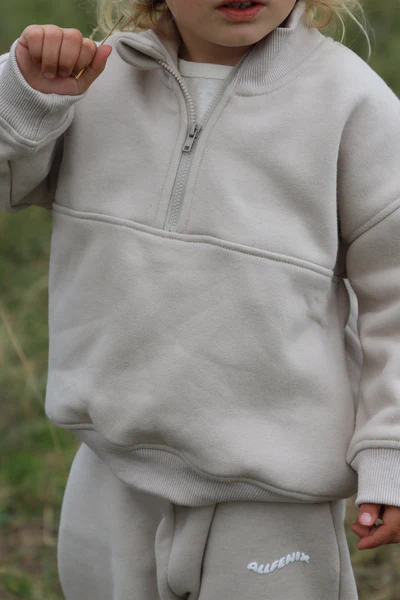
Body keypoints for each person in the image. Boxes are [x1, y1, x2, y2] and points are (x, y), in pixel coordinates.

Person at [1, 0, 400, 598]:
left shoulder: (352, 104)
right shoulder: (92, 81)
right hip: (110, 472)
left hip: (271, 495)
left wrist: (390, 450)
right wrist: (26, 96)